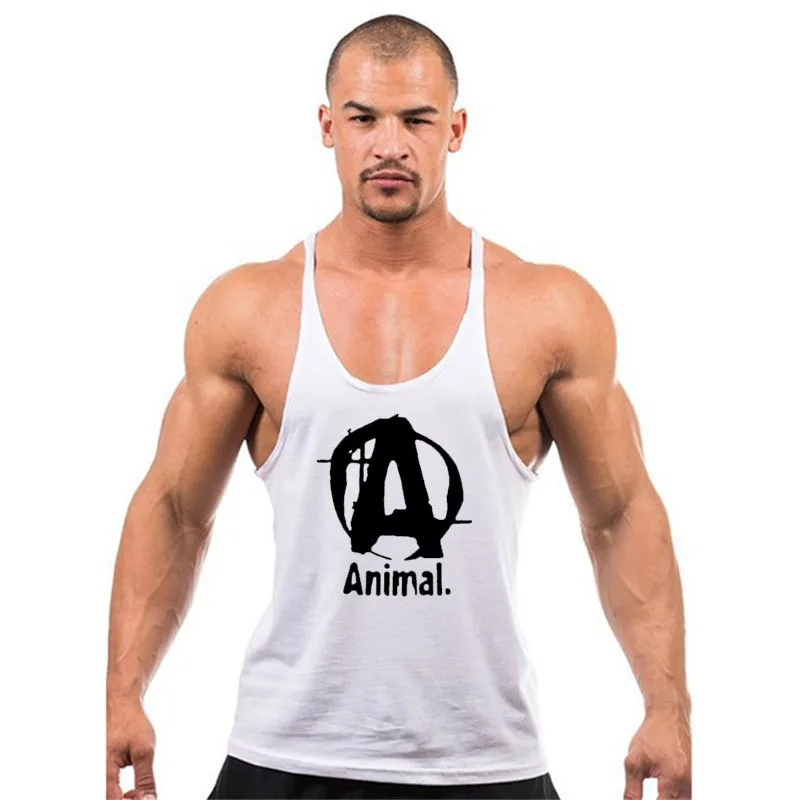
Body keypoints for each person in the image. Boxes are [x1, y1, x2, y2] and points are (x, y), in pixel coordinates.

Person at [106, 13, 691, 800]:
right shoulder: (250, 310)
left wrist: (667, 708)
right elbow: (176, 512)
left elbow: (620, 516)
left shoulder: (545, 310)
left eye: (416, 119)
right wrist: (124, 696)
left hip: (485, 760)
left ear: (455, 129)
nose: (390, 145)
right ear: (327, 127)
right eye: (364, 119)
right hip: (285, 755)